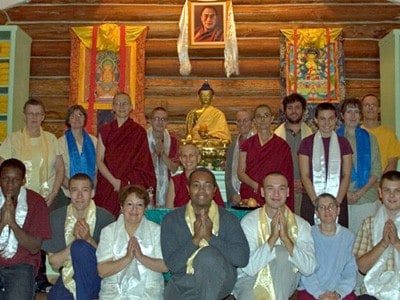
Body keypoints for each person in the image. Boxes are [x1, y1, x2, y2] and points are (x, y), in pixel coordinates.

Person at [0, 98, 64, 292]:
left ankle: (41, 275)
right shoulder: (13, 139)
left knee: (43, 232)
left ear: (43, 116)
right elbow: (3, 166)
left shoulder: (52, 139)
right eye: (30, 113)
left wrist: (54, 192)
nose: (34, 118)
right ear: (24, 116)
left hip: (45, 197)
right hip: (18, 194)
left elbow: (60, 168)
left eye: (38, 114)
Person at [161, 167, 249, 300]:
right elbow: (172, 265)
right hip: (184, 283)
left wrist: (210, 238)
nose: (202, 190)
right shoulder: (172, 219)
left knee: (208, 256)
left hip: (220, 280)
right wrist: (195, 240)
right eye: (196, 185)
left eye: (207, 186)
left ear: (214, 190)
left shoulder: (228, 218)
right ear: (188, 189)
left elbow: (242, 259)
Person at [233, 172, 316, 300]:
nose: (276, 194)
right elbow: (249, 268)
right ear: (262, 192)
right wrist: (272, 239)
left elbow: (309, 268)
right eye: (270, 188)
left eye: (281, 189)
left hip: (285, 277)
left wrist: (286, 240)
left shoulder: (301, 225)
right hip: (252, 280)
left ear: (288, 192)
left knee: (281, 252)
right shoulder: (249, 222)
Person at [42, 173, 115, 300]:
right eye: (75, 190)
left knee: (81, 247)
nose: (80, 196)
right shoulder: (56, 217)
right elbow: (54, 263)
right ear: (68, 193)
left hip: (97, 277)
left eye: (85, 190)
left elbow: (110, 260)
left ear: (92, 193)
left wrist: (88, 239)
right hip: (69, 276)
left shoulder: (106, 218)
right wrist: (75, 241)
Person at [96, 185, 168, 299]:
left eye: (139, 205)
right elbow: (102, 271)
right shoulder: (108, 231)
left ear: (145, 209)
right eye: (129, 204)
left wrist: (141, 257)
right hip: (115, 291)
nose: (134, 209)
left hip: (148, 290)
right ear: (121, 207)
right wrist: (127, 258)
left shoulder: (156, 230)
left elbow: (165, 266)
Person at [95, 92, 156, 218]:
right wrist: (114, 182)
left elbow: (143, 163)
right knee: (106, 219)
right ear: (113, 108)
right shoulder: (105, 130)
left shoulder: (138, 132)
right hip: (108, 184)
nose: (121, 107)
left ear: (131, 107)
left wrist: (124, 183)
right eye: (117, 104)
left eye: (125, 104)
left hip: (130, 184)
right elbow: (99, 160)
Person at [0, 158, 51, 300]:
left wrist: (13, 225)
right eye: (5, 179)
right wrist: (2, 223)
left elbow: (34, 248)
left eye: (15, 180)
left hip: (21, 266)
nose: (10, 185)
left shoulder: (36, 202)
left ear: (23, 180)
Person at [298, 102, 353, 227]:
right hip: (311, 199)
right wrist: (317, 203)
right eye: (322, 119)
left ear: (336, 120)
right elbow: (304, 175)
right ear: (316, 120)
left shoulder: (343, 143)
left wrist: (336, 203)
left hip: (338, 198)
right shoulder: (306, 143)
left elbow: (346, 174)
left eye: (331, 119)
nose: (327, 123)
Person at [297, 193, 358, 300]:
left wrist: (339, 293)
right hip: (311, 289)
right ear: (316, 212)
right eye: (322, 207)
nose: (327, 210)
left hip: (338, 290)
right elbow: (305, 269)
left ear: (338, 210)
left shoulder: (348, 236)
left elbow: (350, 271)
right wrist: (319, 293)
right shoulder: (308, 234)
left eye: (331, 206)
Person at [336, 98, 382, 234]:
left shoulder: (370, 138)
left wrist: (359, 193)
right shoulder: (333, 138)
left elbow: (376, 170)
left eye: (356, 112)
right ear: (342, 116)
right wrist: (345, 193)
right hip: (339, 198)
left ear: (361, 116)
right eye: (349, 112)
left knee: (364, 242)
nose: (353, 115)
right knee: (343, 241)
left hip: (366, 197)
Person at [353, 170, 400, 299]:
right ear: (380, 193)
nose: (392, 195)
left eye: (397, 191)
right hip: (374, 290)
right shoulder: (368, 223)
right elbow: (362, 267)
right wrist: (383, 244)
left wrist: (396, 242)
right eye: (387, 190)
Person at [237, 104, 294, 209]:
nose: (262, 119)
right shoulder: (247, 144)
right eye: (259, 116)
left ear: (272, 118)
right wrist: (256, 186)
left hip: (274, 194)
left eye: (266, 115)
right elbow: (240, 172)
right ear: (254, 121)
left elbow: (287, 175)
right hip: (251, 192)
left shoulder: (282, 145)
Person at [275, 93, 313, 215]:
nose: (294, 111)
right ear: (285, 111)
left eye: (297, 107)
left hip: (306, 190)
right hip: (282, 190)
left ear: (303, 110)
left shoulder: (313, 136)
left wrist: (305, 182)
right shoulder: (276, 136)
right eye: (290, 108)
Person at [165, 143, 225, 208]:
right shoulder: (175, 181)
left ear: (198, 158)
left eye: (191, 156)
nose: (188, 159)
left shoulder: (208, 178)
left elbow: (220, 208)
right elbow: (169, 210)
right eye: (184, 156)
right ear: (181, 159)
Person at [58, 104, 97, 203]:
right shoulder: (60, 142)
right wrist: (74, 190)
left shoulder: (94, 141)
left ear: (85, 119)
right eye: (72, 116)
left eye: (80, 115)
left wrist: (90, 189)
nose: (76, 118)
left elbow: (98, 169)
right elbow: (59, 170)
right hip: (68, 193)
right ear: (68, 120)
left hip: (91, 193)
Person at [147, 107, 180, 207]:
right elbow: (144, 167)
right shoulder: (142, 138)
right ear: (151, 121)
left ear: (167, 122)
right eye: (156, 118)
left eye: (163, 119)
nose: (160, 122)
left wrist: (163, 153)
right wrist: (156, 153)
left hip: (167, 187)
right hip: (147, 183)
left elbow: (174, 168)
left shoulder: (173, 141)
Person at [361, 94, 400, 173]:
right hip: (359, 183)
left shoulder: (389, 134)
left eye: (373, 105)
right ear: (361, 109)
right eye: (367, 105)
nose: (370, 107)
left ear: (379, 109)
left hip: (382, 182)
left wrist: (381, 183)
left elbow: (392, 163)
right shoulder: (355, 133)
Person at [225, 110, 254, 207]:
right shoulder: (233, 145)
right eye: (239, 121)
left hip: (252, 195)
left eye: (245, 120)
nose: (242, 124)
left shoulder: (257, 143)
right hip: (235, 196)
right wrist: (233, 194)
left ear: (252, 122)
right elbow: (228, 174)